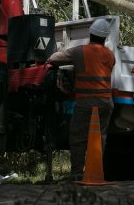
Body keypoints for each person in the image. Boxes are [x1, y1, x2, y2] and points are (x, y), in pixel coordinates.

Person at [47, 18, 115, 181]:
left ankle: (77, 173)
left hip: (86, 102)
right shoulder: (110, 55)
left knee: (78, 137)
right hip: (106, 102)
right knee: (99, 138)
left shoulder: (80, 51)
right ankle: (95, 172)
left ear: (90, 33)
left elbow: (54, 58)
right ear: (105, 37)